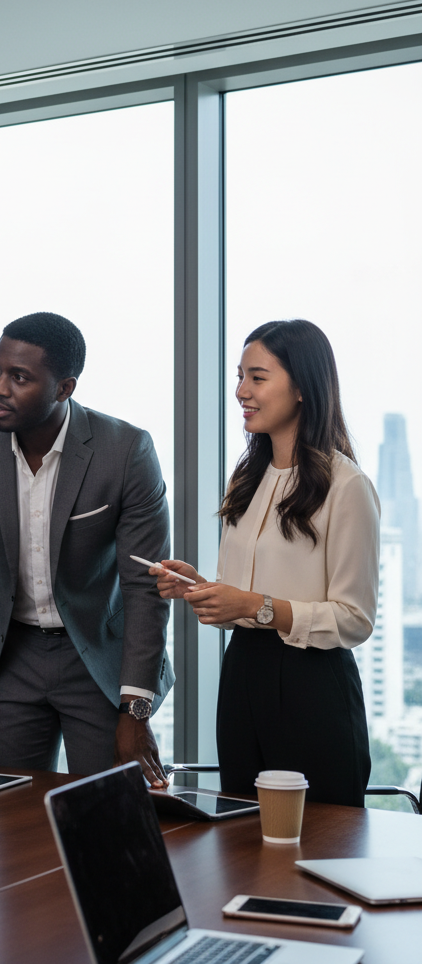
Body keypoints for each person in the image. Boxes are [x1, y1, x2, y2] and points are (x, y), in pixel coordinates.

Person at [0, 312, 173, 783]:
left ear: (64, 388)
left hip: (99, 660)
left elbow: (145, 588)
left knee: (109, 818)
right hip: (10, 658)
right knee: (9, 823)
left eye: (19, 377)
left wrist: (136, 709)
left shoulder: (126, 451)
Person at [152, 319, 377, 807]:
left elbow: (355, 619)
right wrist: (201, 587)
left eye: (257, 377)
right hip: (243, 675)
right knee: (242, 833)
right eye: (239, 377)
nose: (240, 391)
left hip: (313, 683)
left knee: (321, 838)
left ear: (301, 387)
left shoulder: (347, 486)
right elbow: (245, 595)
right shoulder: (246, 481)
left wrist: (257, 606)